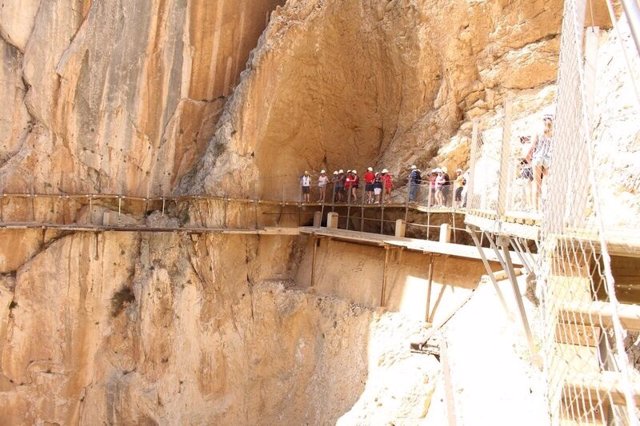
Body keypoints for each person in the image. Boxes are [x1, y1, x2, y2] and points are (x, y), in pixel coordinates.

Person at [529, 115, 553, 210]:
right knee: (545, 184)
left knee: (536, 184)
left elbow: (533, 145)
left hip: (538, 158)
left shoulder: (539, 132)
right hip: (548, 159)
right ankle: (544, 208)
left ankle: (536, 209)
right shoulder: (552, 133)